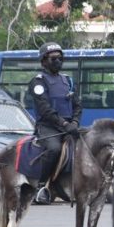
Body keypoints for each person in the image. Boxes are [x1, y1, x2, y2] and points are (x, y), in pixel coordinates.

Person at [28, 42, 82, 204]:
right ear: (43, 61)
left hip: (69, 126)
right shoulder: (38, 82)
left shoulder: (68, 81)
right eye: (53, 59)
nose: (58, 61)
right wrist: (65, 125)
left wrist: (75, 122)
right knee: (54, 149)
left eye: (60, 58)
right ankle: (41, 186)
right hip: (48, 127)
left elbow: (78, 104)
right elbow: (45, 110)